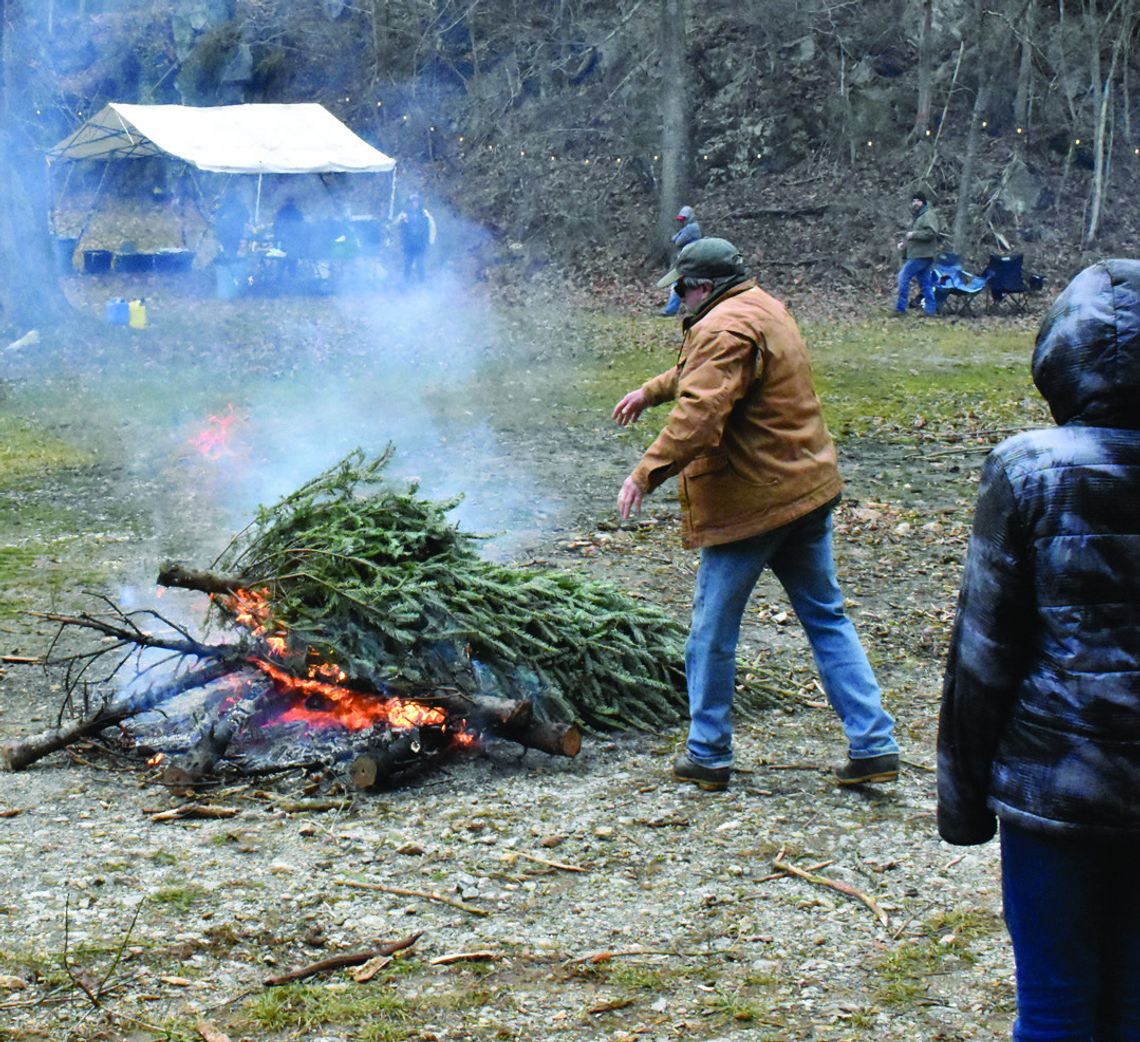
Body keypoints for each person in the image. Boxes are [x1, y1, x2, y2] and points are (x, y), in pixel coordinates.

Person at [937, 259, 1140, 1041]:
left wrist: (962, 806)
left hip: (1053, 794)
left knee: (1055, 1008)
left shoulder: (1027, 471)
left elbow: (983, 654)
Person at [613, 237, 899, 791]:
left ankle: (708, 753)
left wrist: (644, 473)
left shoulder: (722, 327)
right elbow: (705, 375)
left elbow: (700, 414)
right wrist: (650, 391)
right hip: (805, 489)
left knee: (711, 632)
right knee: (827, 618)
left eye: (681, 288)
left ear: (703, 286)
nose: (678, 299)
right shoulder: (761, 307)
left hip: (754, 502)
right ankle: (874, 742)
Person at [895, 191, 940, 316]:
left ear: (923, 202)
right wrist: (903, 246)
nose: (915, 203)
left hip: (922, 255)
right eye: (913, 201)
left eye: (917, 201)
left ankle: (900, 308)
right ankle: (930, 310)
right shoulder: (918, 217)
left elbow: (931, 233)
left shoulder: (928, 215)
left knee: (903, 277)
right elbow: (912, 238)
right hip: (920, 255)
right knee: (925, 284)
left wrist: (914, 234)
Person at [660, 205, 702, 316]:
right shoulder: (692, 227)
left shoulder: (691, 228)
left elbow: (677, 241)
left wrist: (678, 236)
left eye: (684, 218)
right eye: (682, 219)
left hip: (689, 260)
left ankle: (670, 310)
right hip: (691, 259)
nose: (683, 221)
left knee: (678, 284)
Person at [393, 193, 436, 284]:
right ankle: (406, 283)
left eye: (416, 201)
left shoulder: (425, 213)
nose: (415, 204)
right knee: (407, 264)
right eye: (413, 201)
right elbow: (395, 224)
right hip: (408, 244)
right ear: (409, 203)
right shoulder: (404, 214)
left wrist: (431, 240)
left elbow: (432, 226)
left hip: (420, 244)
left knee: (420, 265)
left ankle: (422, 283)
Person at [273, 197, 306, 280]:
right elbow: (301, 227)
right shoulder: (297, 213)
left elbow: (276, 225)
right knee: (292, 258)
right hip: (293, 239)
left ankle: (280, 277)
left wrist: (276, 237)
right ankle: (292, 277)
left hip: (284, 238)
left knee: (282, 258)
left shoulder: (281, 212)